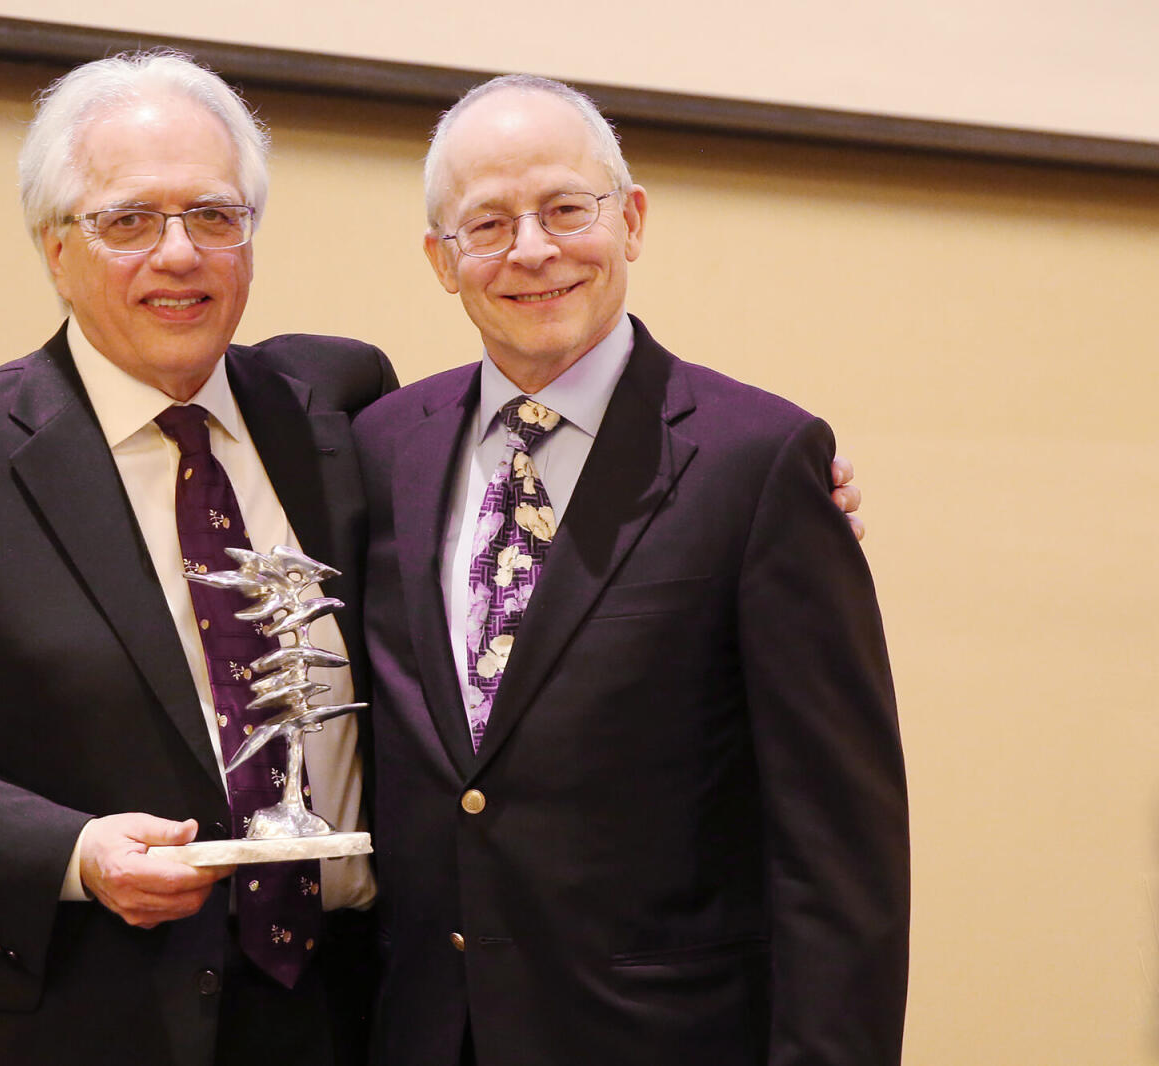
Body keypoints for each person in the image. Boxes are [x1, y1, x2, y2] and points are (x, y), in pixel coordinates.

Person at [0, 52, 396, 1066]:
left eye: (213, 215)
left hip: (342, 1015)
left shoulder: (339, 400)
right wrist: (71, 852)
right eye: (129, 220)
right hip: (75, 1018)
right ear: (55, 248)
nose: (179, 254)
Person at [353, 74, 909, 1066]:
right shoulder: (383, 447)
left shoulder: (756, 462)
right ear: (442, 259)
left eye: (568, 209)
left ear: (633, 220)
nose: (534, 249)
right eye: (489, 223)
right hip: (426, 1033)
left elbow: (838, 852)